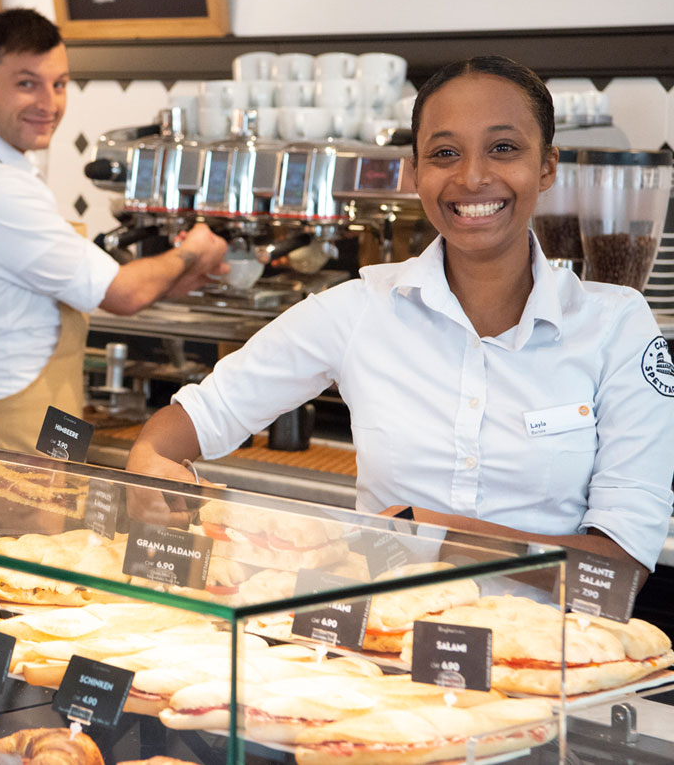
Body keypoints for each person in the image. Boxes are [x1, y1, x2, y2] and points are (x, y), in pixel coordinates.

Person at [127, 55, 674, 574]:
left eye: (504, 148)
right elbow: (185, 427)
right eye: (444, 154)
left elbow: (619, 565)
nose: (472, 178)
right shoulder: (359, 309)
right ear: (414, 173)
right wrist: (151, 464)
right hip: (381, 652)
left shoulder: (616, 327)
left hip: (557, 658)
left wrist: (437, 534)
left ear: (547, 166)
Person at [0, 9, 227, 452]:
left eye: (59, 84)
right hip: (2, 438)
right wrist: (193, 248)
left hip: (18, 420)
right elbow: (123, 295)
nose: (49, 103)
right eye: (27, 83)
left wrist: (172, 279)